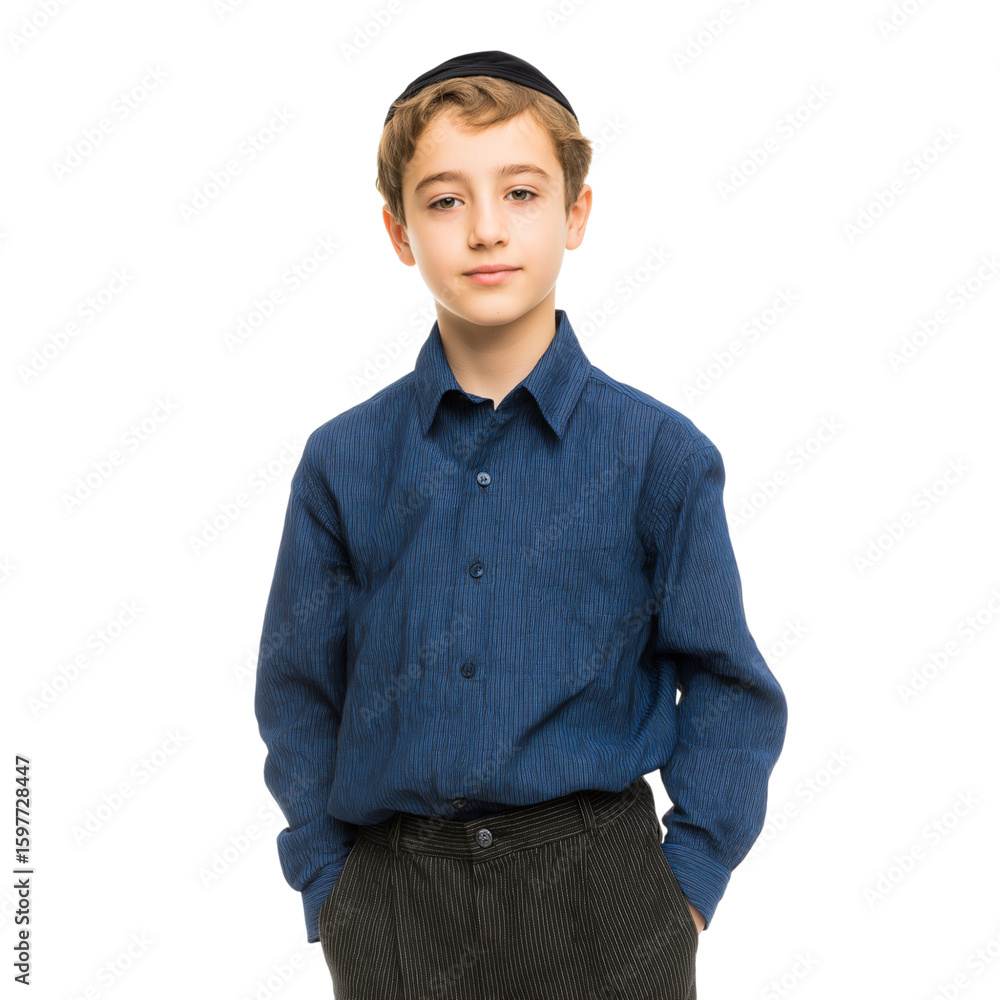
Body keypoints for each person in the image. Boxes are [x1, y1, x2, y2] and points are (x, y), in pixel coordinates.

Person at [254, 49, 788, 1000]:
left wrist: (688, 883)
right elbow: (298, 691)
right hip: (397, 912)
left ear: (577, 213)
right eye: (445, 200)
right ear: (398, 230)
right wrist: (334, 891)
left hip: (607, 905)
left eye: (523, 193)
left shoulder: (659, 456)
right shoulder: (343, 462)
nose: (487, 228)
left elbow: (729, 684)